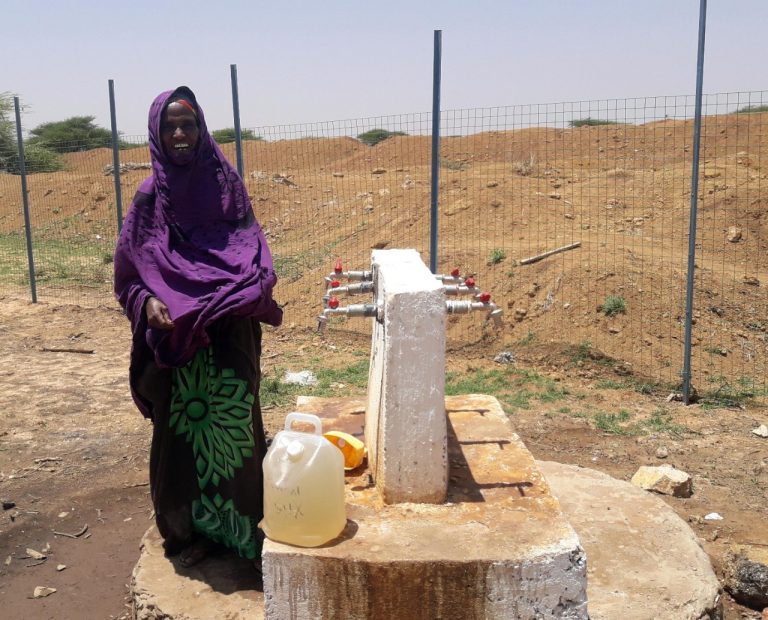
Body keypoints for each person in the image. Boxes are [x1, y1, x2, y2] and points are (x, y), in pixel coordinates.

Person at [114, 86, 282, 568]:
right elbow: (129, 275)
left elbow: (253, 251)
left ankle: (240, 532)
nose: (180, 134)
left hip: (229, 329)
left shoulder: (226, 186)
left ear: (201, 128)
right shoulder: (149, 200)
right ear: (157, 134)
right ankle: (187, 535)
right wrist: (147, 303)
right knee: (183, 434)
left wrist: (254, 286)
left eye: (187, 124)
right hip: (178, 336)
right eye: (170, 126)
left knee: (234, 431)